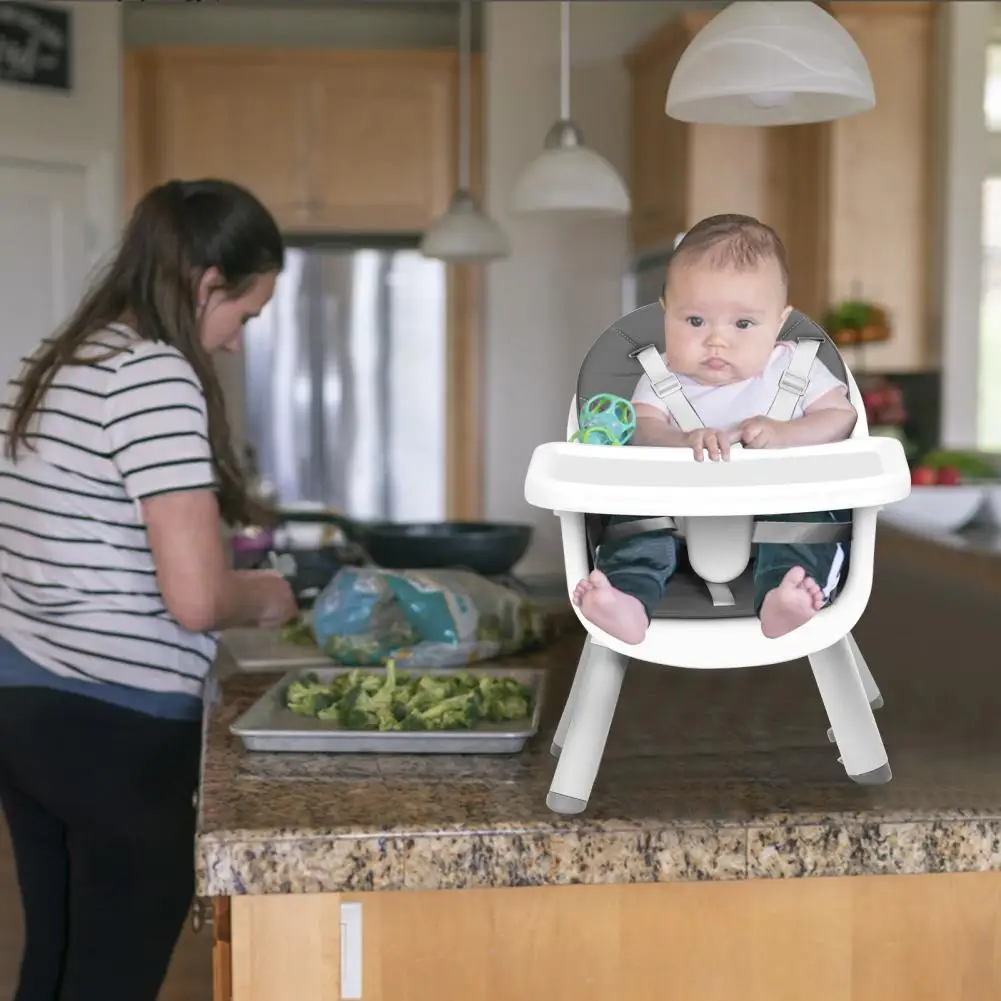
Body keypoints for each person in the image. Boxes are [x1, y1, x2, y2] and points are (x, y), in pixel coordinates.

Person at [0, 178, 299, 1001]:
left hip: (24, 708)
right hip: (117, 729)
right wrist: (268, 593)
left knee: (54, 968)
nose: (235, 342)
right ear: (208, 282)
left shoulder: (57, 357)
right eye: (245, 314)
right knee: (111, 981)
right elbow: (198, 599)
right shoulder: (152, 373)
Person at [573, 214, 858, 644]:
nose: (716, 341)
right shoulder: (660, 375)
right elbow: (641, 430)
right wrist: (682, 440)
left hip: (776, 515)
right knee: (635, 513)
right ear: (666, 314)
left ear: (779, 323)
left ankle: (783, 595)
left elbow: (841, 417)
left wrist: (783, 433)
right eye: (695, 322)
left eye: (743, 324)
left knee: (809, 512)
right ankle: (629, 598)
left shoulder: (796, 368)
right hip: (679, 526)